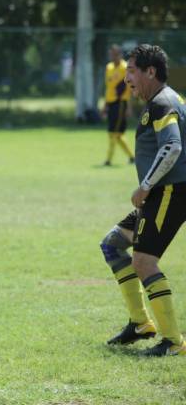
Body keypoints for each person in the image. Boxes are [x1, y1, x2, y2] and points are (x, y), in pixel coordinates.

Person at [99, 44, 186, 357]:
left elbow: (173, 147)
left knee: (144, 261)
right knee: (112, 244)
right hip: (163, 194)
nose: (127, 79)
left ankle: (173, 341)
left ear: (151, 71)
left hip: (168, 193)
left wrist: (145, 185)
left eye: (132, 71)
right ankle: (140, 324)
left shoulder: (163, 102)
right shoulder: (164, 100)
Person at [101, 45, 134, 166]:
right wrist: (105, 105)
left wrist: (129, 107)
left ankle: (108, 160)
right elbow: (108, 88)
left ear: (120, 55)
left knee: (114, 132)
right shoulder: (108, 68)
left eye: (115, 54)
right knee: (118, 134)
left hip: (121, 103)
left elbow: (129, 88)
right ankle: (132, 157)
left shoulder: (125, 68)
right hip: (111, 103)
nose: (113, 56)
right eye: (111, 54)